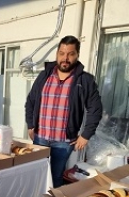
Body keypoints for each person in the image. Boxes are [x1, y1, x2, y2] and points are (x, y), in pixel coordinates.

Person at [25, 35, 102, 188]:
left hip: (63, 142)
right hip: (40, 138)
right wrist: (30, 125)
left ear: (77, 55)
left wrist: (86, 135)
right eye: (62, 53)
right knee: (36, 176)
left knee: (55, 178)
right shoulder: (44, 76)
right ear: (57, 54)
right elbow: (31, 101)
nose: (65, 58)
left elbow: (95, 108)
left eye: (70, 54)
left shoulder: (84, 80)